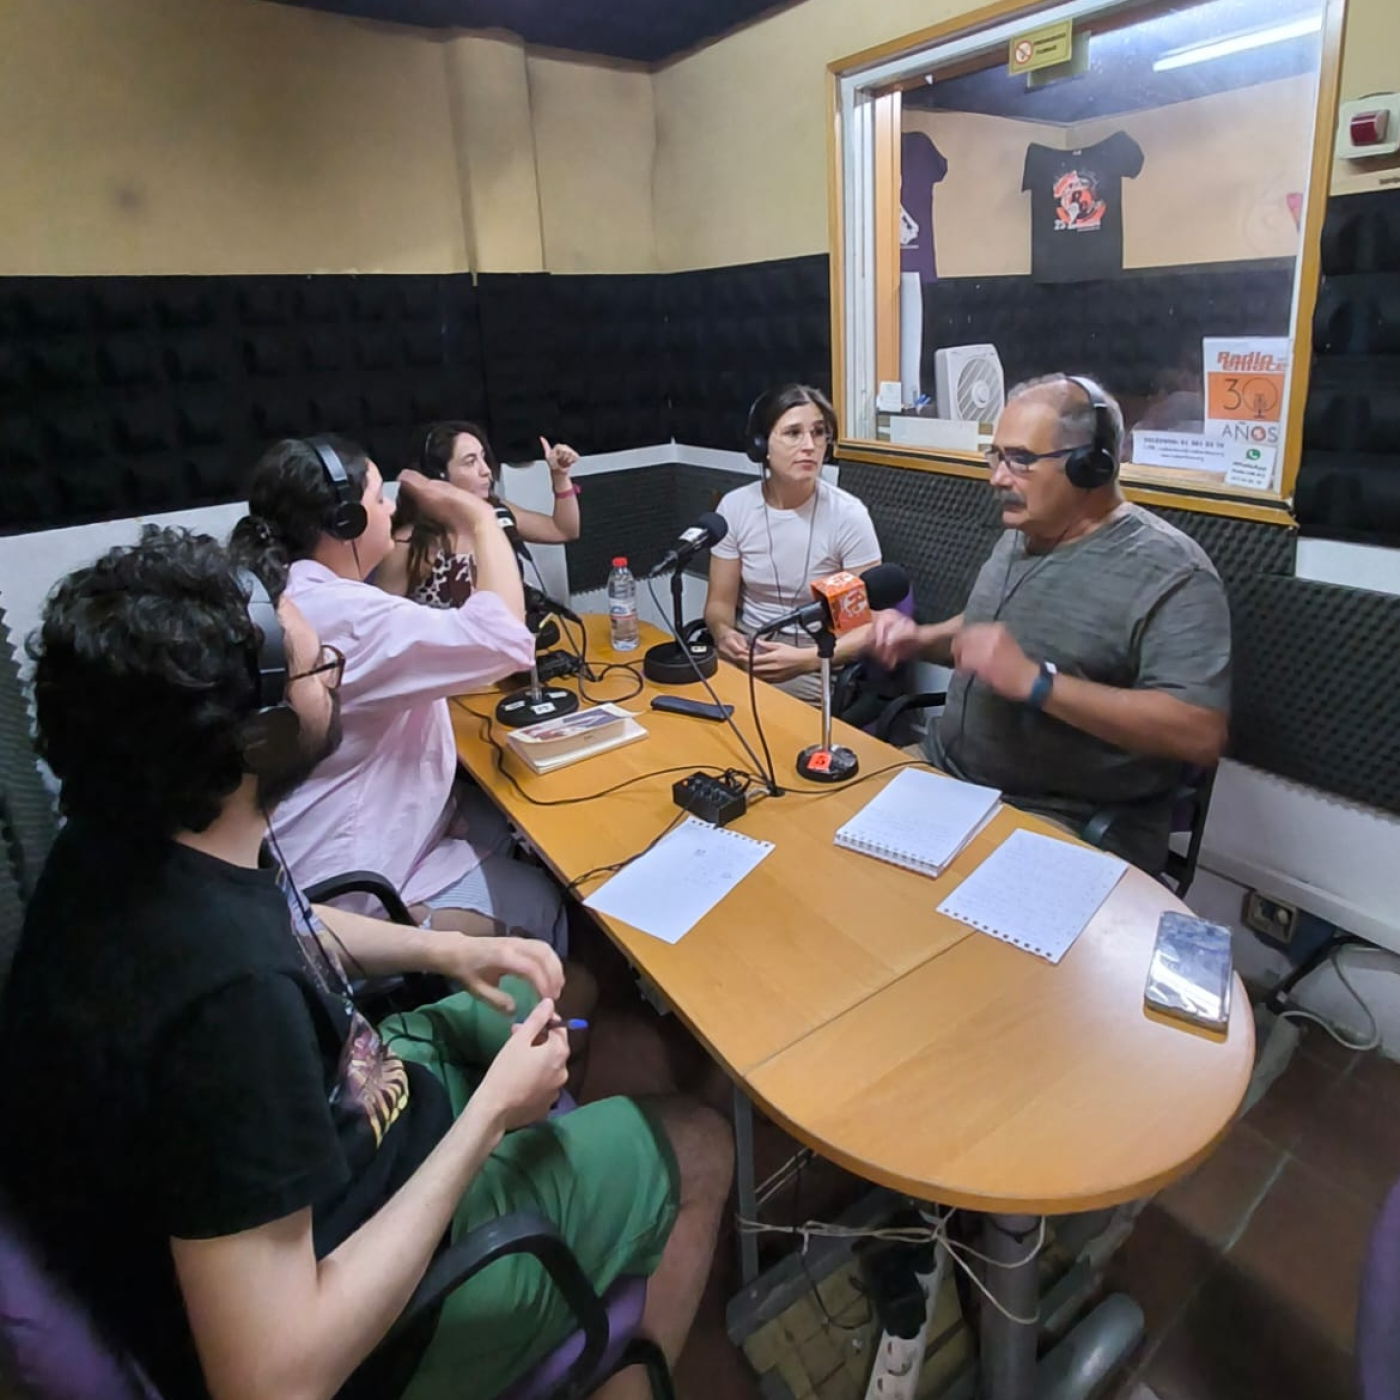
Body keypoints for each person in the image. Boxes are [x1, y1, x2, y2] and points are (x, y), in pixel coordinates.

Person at [0, 526, 731, 1400]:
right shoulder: (228, 1006)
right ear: (259, 738)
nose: (338, 676)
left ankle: (582, 1180)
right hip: (387, 1307)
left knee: (557, 992)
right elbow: (273, 1381)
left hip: (360, 1121)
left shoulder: (136, 838)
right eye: (320, 669)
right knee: (702, 1142)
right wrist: (489, 1118)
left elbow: (292, 925)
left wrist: (450, 948)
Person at [866, 374, 1230, 874]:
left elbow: (1197, 732)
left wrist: (1039, 684)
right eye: (995, 457)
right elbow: (987, 633)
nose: (998, 478)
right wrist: (919, 640)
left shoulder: (1173, 571)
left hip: (1060, 817)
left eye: (1020, 459)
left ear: (1090, 466)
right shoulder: (1024, 533)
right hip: (944, 773)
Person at [228, 434, 569, 952]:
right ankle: (552, 979)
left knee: (505, 821)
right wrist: (479, 519)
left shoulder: (297, 593)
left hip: (312, 844)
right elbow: (504, 641)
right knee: (544, 894)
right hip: (346, 879)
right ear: (345, 522)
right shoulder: (345, 614)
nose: (389, 508)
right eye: (378, 498)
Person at [704, 384, 882, 705]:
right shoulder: (735, 507)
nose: (809, 445)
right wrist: (724, 633)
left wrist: (805, 660)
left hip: (814, 655)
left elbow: (865, 629)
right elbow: (719, 603)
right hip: (748, 644)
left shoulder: (848, 516)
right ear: (761, 446)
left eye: (818, 433)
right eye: (793, 433)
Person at [377, 422, 582, 608]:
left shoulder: (498, 514)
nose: (486, 471)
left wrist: (560, 477)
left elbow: (563, 530)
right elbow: (381, 623)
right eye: (470, 462)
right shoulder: (408, 546)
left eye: (483, 457)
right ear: (438, 476)